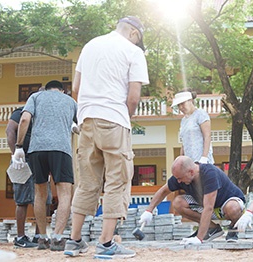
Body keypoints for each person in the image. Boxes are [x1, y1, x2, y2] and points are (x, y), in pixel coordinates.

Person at [63, 16, 148, 259]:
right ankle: (106, 243)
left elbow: (76, 88)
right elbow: (133, 97)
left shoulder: (90, 46)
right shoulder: (133, 52)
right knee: (117, 181)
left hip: (87, 119)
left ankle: (74, 241)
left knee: (87, 182)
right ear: (133, 33)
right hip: (114, 119)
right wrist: (125, 117)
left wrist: (86, 113)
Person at [12, 80, 77, 251]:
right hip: (61, 149)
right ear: (62, 90)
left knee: (39, 193)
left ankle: (42, 238)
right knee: (64, 193)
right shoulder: (70, 101)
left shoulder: (35, 97)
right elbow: (81, 124)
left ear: (46, 89)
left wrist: (19, 147)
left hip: (36, 150)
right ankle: (57, 238)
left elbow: (24, 119)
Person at [138, 156, 245, 244]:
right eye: (177, 178)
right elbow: (163, 191)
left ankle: (233, 229)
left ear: (191, 172)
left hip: (226, 204)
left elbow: (208, 207)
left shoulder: (209, 174)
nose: (178, 181)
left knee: (233, 208)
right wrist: (149, 211)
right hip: (207, 206)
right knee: (178, 202)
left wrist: (199, 239)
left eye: (180, 178)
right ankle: (212, 228)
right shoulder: (180, 177)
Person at [6, 90, 52, 248]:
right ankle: (20, 238)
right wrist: (16, 154)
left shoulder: (44, 116)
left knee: (43, 198)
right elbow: (10, 130)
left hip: (40, 159)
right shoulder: (20, 112)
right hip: (23, 161)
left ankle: (40, 236)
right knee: (22, 200)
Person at [172, 91, 214, 164]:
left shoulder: (200, 114)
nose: (181, 107)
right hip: (189, 162)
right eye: (178, 105)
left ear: (190, 101)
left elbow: (207, 136)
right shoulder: (183, 120)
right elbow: (184, 142)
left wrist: (204, 157)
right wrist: (181, 158)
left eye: (183, 103)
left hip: (201, 160)